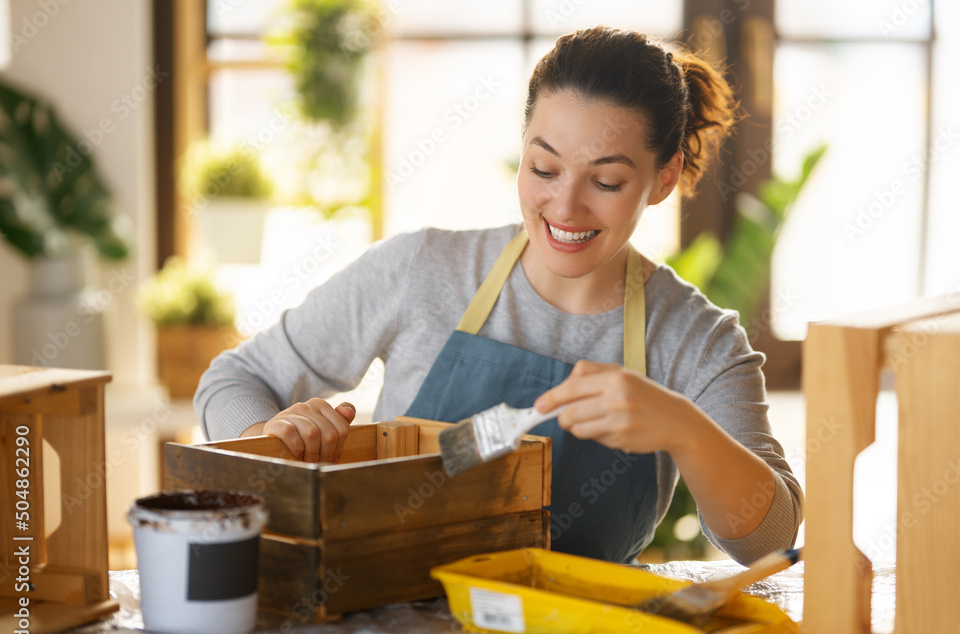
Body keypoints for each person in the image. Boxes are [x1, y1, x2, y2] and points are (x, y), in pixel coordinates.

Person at [195, 26, 803, 566]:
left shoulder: (697, 339)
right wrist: (272, 436)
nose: (565, 207)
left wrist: (685, 430)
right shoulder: (422, 270)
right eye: (544, 169)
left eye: (607, 181)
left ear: (663, 178)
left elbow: (770, 540)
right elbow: (231, 379)